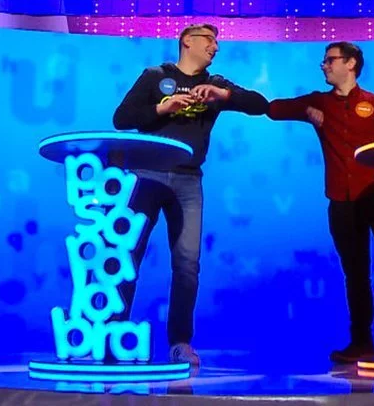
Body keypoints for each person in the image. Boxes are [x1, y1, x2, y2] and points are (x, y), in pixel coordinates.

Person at [112, 23, 269, 365]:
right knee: (126, 256)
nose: (215, 47)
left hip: (188, 181)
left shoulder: (216, 83)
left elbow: (260, 104)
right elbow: (121, 119)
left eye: (217, 41)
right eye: (209, 40)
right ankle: (112, 337)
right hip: (145, 176)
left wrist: (224, 96)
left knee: (187, 265)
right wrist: (162, 109)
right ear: (187, 41)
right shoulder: (156, 76)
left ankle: (180, 343)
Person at [267, 41, 374, 363]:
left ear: (351, 63)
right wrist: (306, 112)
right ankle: (362, 343)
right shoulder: (320, 102)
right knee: (355, 274)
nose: (324, 65)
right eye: (325, 60)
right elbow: (273, 109)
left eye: (330, 60)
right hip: (342, 201)